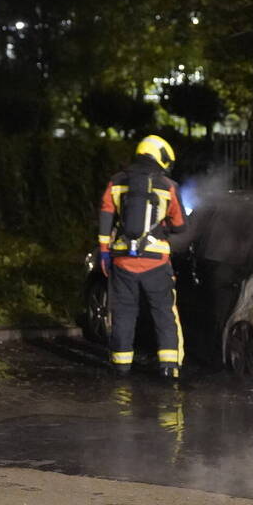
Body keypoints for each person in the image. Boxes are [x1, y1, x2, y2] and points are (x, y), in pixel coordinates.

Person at [98, 135, 187, 378]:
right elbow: (179, 224)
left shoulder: (116, 182)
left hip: (122, 260)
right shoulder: (168, 186)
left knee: (124, 313)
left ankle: (121, 366)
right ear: (161, 156)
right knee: (164, 314)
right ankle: (170, 368)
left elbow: (106, 216)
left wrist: (105, 253)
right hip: (156, 263)